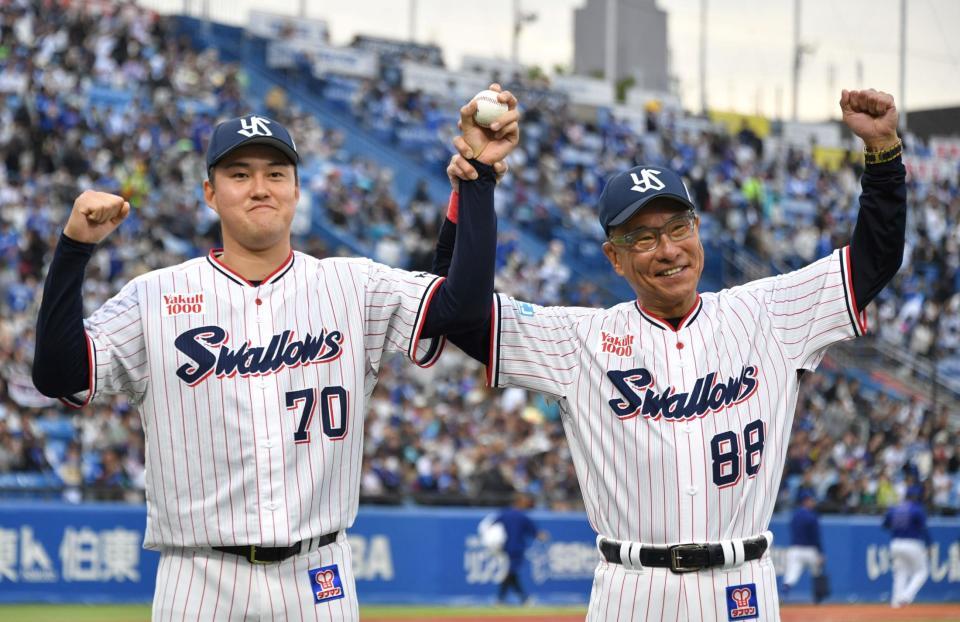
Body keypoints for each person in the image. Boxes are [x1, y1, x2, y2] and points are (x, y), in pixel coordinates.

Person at [31, 87, 519, 620]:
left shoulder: (353, 285)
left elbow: (461, 308)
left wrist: (477, 179)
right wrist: (74, 250)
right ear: (210, 193)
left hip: (318, 574)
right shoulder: (155, 296)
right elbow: (58, 374)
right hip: (198, 578)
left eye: (276, 173)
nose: (260, 187)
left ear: (296, 189)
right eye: (240, 174)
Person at [437, 88, 906, 620]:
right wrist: (476, 183)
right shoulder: (579, 339)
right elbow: (456, 313)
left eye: (678, 227)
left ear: (697, 230)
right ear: (614, 258)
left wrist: (883, 155)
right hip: (631, 590)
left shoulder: (768, 312)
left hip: (740, 587)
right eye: (642, 237)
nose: (668, 249)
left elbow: (875, 259)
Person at [494, 492, 546, 605]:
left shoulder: (504, 514)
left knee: (510, 573)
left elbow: (492, 527)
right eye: (524, 501)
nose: (526, 504)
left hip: (504, 548)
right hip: (516, 548)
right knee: (511, 573)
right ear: (519, 502)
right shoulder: (522, 517)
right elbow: (537, 534)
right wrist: (542, 536)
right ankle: (520, 598)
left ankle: (505, 599)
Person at [883, 484, 930, 608]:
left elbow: (885, 525)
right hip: (913, 543)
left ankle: (896, 602)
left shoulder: (894, 508)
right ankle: (906, 596)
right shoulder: (917, 509)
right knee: (922, 571)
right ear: (915, 496)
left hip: (895, 543)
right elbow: (924, 529)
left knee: (900, 572)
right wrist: (929, 544)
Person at [781, 491, 826, 603]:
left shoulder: (794, 516)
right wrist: (820, 552)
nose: (813, 502)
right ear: (805, 501)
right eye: (811, 500)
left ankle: (784, 593)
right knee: (817, 572)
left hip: (795, 549)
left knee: (791, 574)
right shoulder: (812, 516)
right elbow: (816, 537)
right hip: (810, 550)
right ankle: (818, 598)